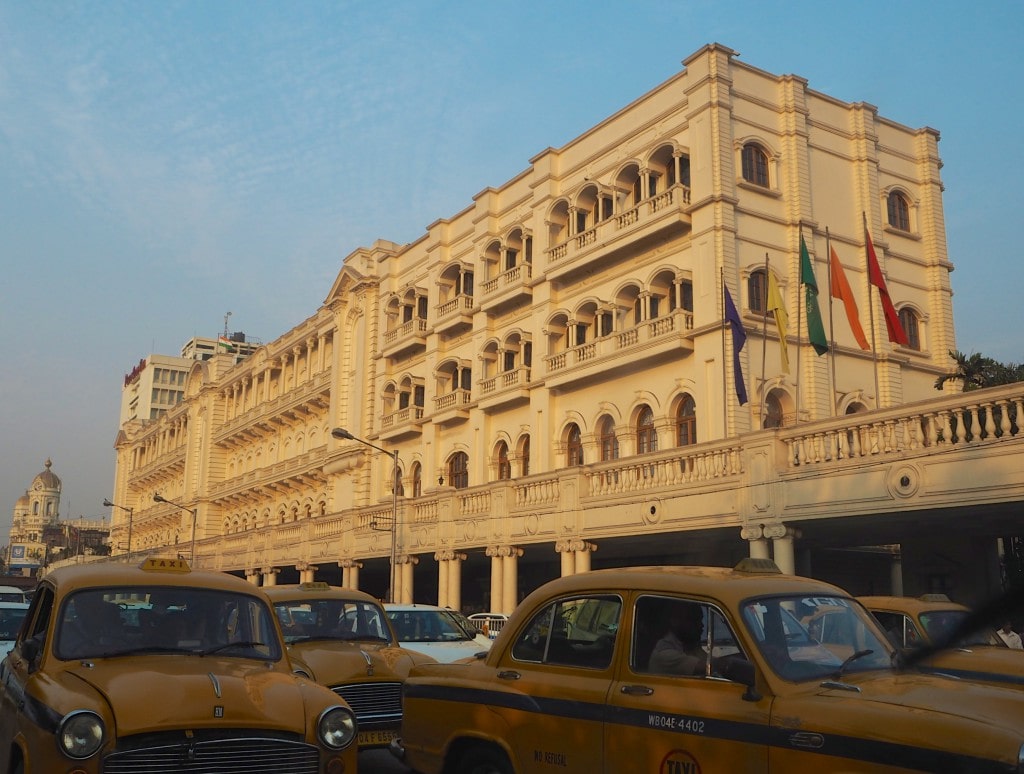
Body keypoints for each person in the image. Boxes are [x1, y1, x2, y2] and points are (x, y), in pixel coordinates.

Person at [647, 600, 708, 676]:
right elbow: (705, 667)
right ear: (675, 621)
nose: (701, 625)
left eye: (700, 620)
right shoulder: (664, 652)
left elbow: (708, 660)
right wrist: (723, 664)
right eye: (694, 620)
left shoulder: (688, 646)